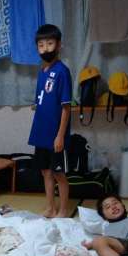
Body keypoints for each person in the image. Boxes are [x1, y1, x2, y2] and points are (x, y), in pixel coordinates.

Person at [28, 24, 72, 218]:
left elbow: (66, 107)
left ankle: (63, 210)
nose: (45, 49)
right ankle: (50, 208)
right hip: (40, 132)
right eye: (41, 45)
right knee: (45, 172)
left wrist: (60, 135)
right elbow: (42, 98)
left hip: (55, 135)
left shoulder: (62, 71)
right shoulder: (42, 71)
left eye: (50, 44)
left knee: (58, 174)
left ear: (59, 45)